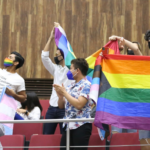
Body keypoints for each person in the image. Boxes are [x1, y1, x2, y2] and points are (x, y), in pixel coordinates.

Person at [54, 58, 93, 150]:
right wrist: (60, 97)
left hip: (81, 125)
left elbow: (79, 105)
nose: (69, 71)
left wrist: (65, 93)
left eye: (71, 69)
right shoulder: (70, 86)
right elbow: (61, 106)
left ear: (77, 70)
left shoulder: (86, 85)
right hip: (68, 125)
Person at [41, 22, 72, 134]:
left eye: (57, 53)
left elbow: (67, 48)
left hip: (65, 108)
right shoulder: (55, 69)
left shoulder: (71, 69)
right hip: (51, 107)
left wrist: (61, 31)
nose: (55, 56)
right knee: (46, 135)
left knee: (65, 137)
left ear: (63, 56)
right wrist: (51, 37)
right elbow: (44, 57)